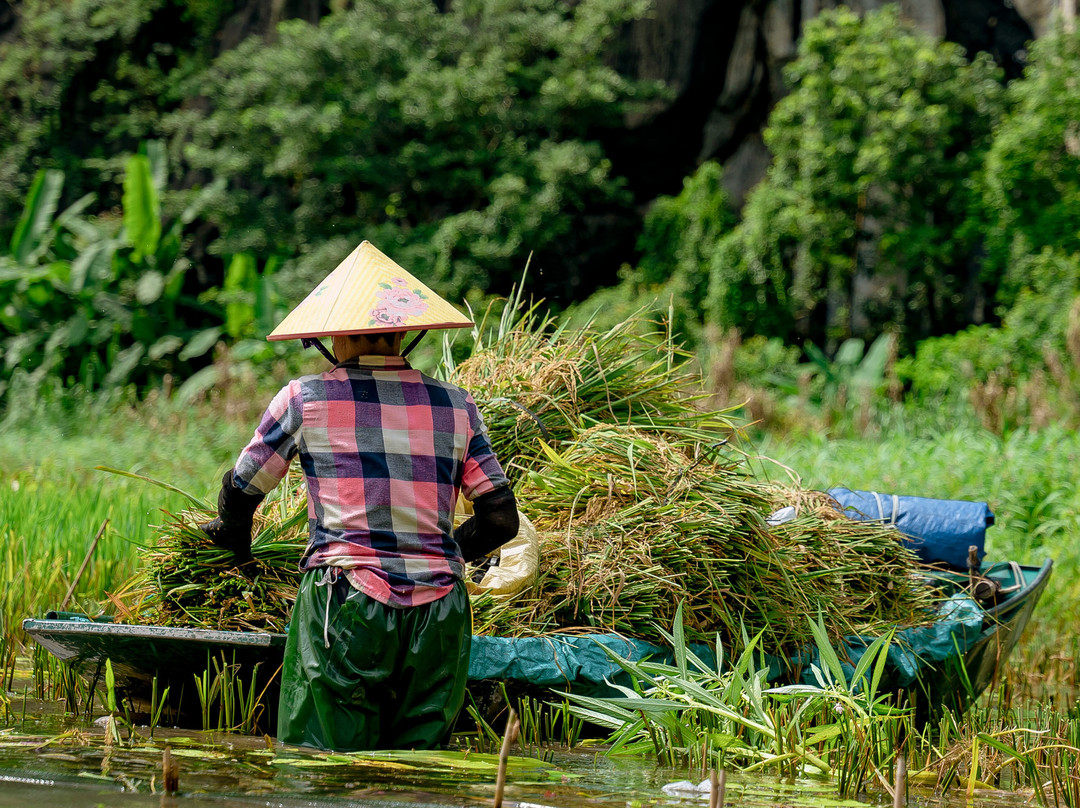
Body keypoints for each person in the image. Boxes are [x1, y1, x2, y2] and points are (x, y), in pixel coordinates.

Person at [200, 241, 519, 751]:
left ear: (337, 336)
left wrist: (234, 542)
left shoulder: (305, 398)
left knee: (324, 767)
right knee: (420, 778)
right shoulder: (456, 406)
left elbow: (243, 487)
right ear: (402, 334)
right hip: (440, 615)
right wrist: (446, 554)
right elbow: (501, 519)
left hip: (346, 605)